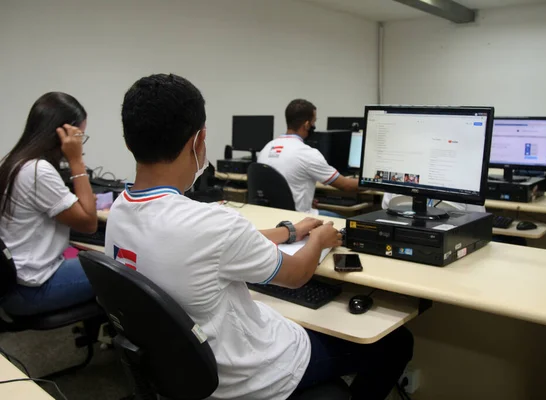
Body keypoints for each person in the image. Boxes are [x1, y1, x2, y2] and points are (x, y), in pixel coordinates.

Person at [106, 74, 413, 400]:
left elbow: (217, 244)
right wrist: (320, 239)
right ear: (199, 141)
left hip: (188, 373)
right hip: (254, 375)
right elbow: (295, 276)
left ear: (129, 142)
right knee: (395, 343)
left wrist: (289, 231)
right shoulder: (213, 224)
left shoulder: (119, 211)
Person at [0, 92, 97, 315]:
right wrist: (77, 160)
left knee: (92, 257)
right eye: (80, 136)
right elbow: (89, 224)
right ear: (63, 136)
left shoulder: (14, 162)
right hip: (33, 288)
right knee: (123, 273)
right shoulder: (37, 172)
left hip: (16, 278)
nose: (80, 143)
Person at [257, 99, 359, 217]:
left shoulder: (266, 148)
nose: (314, 126)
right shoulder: (307, 153)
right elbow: (346, 185)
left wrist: (306, 200)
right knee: (347, 224)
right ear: (306, 125)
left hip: (273, 217)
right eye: (313, 122)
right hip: (300, 219)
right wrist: (377, 183)